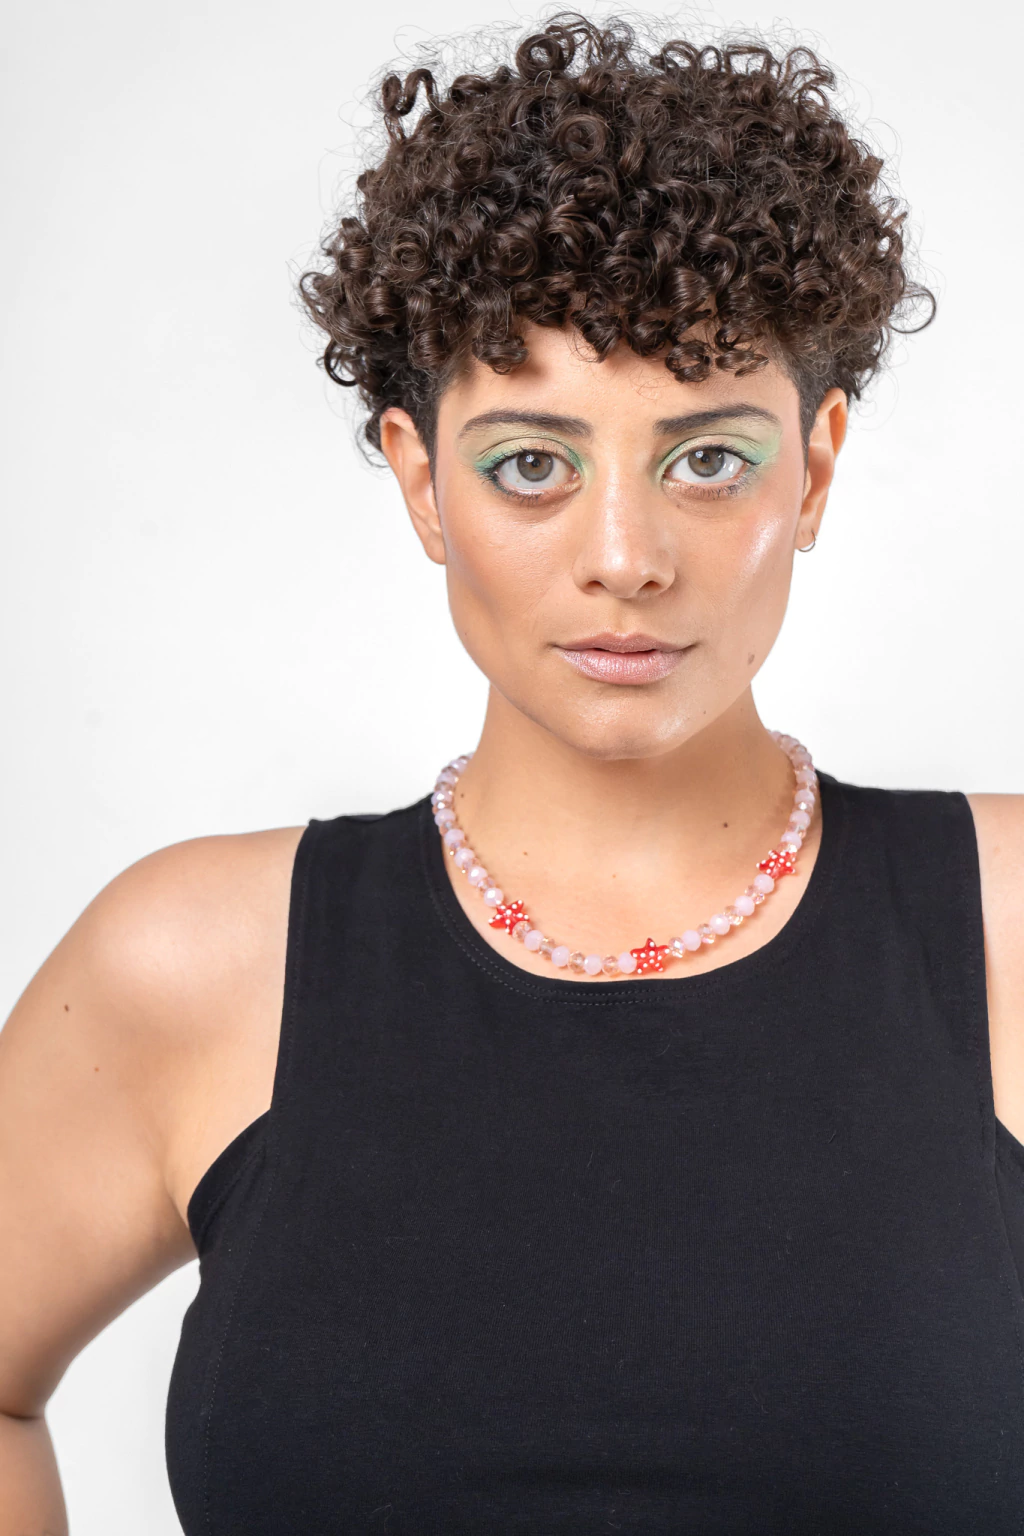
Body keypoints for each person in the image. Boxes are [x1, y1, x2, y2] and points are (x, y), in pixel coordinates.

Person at [1, 12, 1022, 1533]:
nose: (625, 559)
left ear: (814, 468)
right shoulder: (194, 966)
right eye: (531, 464)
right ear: (422, 481)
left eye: (708, 459)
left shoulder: (1005, 934)